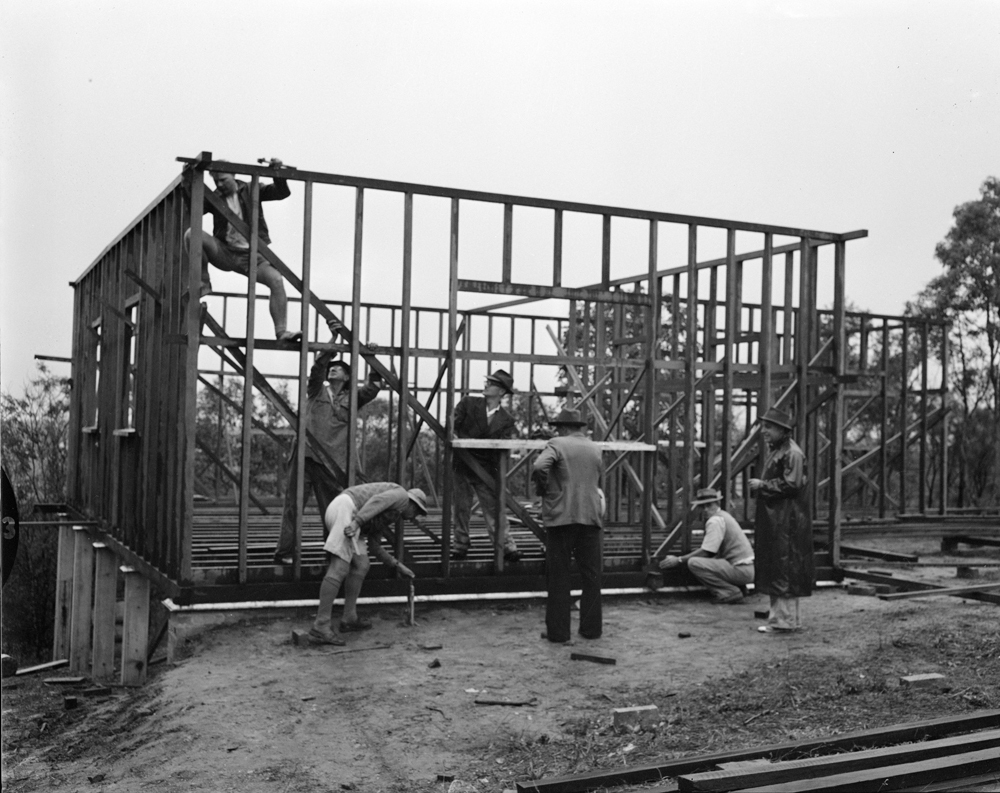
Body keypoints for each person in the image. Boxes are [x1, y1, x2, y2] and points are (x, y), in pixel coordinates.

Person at [273, 322, 383, 565]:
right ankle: (284, 552)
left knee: (331, 511)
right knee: (293, 506)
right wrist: (331, 343)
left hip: (331, 463)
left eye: (339, 370)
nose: (333, 371)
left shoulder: (352, 398)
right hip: (305, 456)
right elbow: (317, 369)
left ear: (347, 377)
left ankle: (331, 554)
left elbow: (373, 388)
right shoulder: (316, 391)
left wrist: (371, 358)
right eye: (331, 369)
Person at [185, 158, 299, 343]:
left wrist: (278, 174)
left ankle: (281, 331)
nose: (220, 185)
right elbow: (194, 208)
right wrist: (188, 181)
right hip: (225, 251)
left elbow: (281, 193)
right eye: (216, 181)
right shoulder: (214, 197)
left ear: (234, 175)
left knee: (277, 280)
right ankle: (203, 280)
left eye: (223, 180)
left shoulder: (251, 189)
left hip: (253, 256)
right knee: (192, 234)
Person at [309, 483, 427, 645]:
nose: (414, 517)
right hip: (347, 508)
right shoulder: (401, 496)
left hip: (351, 514)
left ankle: (349, 618)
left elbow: (374, 545)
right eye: (417, 511)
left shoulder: (391, 514)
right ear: (412, 503)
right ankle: (320, 627)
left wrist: (396, 564)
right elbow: (377, 501)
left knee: (362, 564)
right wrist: (356, 523)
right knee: (340, 567)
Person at [531, 407, 604, 643]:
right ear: (580, 427)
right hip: (591, 517)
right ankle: (591, 630)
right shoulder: (594, 447)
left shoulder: (557, 443)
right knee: (591, 577)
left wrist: (545, 490)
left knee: (559, 577)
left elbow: (539, 466)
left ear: (562, 428)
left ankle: (559, 633)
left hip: (562, 518)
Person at [749, 407, 815, 633]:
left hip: (786, 521)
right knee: (783, 569)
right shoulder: (782, 450)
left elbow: (792, 484)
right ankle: (788, 621)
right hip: (781, 519)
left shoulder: (791, 453)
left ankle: (782, 623)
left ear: (781, 430)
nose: (763, 431)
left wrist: (762, 485)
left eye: (768, 427)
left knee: (783, 569)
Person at [451, 369, 520, 562]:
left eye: (491, 383)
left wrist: (498, 476)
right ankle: (460, 545)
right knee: (461, 508)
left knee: (493, 508)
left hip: (486, 471)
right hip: (463, 464)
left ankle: (506, 547)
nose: (486, 385)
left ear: (501, 392)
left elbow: (503, 449)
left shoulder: (506, 420)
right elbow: (452, 427)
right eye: (487, 381)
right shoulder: (468, 404)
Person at [658, 487, 755, 604]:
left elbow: (707, 551)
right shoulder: (724, 515)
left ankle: (728, 592)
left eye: (709, 505)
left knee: (694, 563)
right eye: (702, 506)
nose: (705, 509)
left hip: (740, 570)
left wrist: (678, 559)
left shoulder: (715, 520)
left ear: (717, 503)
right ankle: (740, 588)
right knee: (707, 559)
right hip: (747, 569)